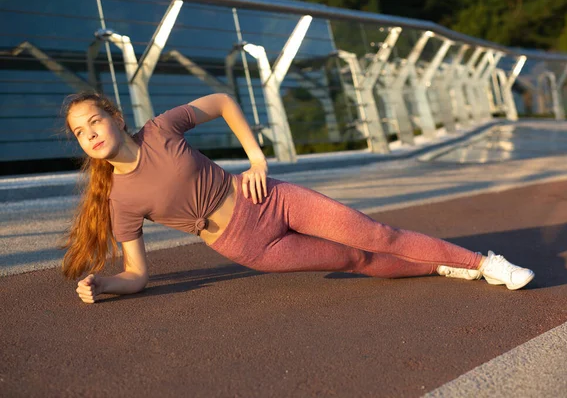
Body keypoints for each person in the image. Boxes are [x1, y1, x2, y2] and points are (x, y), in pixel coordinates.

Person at [61, 91, 534, 304]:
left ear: (115, 117)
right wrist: (107, 284)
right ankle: (439, 263)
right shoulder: (119, 201)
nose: (91, 134)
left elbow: (224, 100)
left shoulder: (162, 128)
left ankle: (483, 262)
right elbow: (138, 275)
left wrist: (256, 159)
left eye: (94, 121)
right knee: (355, 259)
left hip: (266, 199)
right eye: (80, 133)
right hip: (247, 247)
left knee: (376, 233)